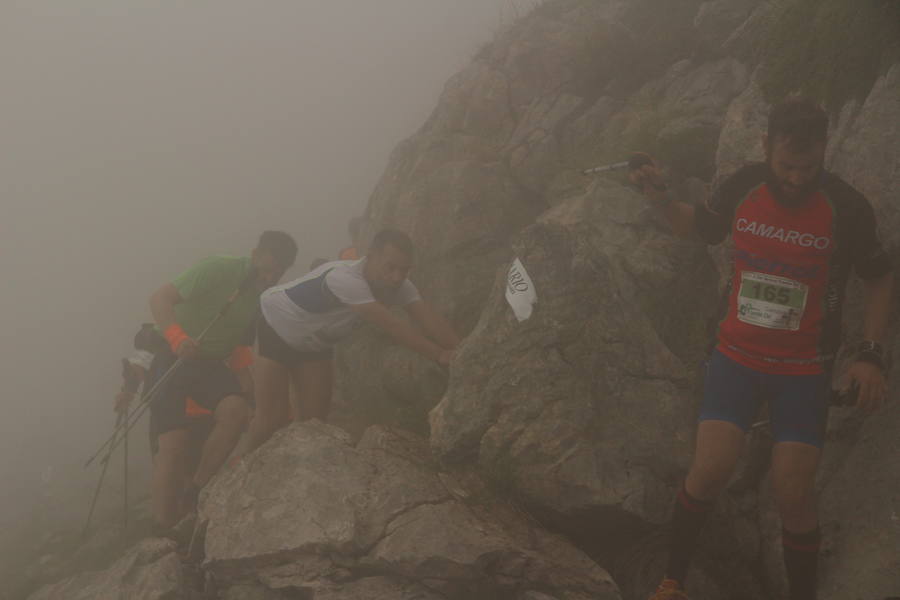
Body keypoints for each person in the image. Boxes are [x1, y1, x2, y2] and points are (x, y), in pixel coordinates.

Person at [634, 98, 893, 600]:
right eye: (786, 166)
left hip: (804, 369)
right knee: (710, 468)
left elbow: (880, 278)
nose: (797, 178)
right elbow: (701, 228)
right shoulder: (743, 185)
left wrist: (870, 354)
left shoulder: (846, 206)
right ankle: (672, 582)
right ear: (764, 147)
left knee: (793, 493)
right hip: (737, 356)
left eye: (809, 167)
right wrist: (660, 198)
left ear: (825, 152)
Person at [242, 228, 460, 454]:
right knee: (270, 419)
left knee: (314, 425)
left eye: (404, 270)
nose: (397, 277)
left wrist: (462, 350)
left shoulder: (400, 285)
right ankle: (236, 474)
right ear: (371, 256)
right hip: (276, 325)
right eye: (390, 267)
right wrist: (439, 354)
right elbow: (392, 325)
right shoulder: (344, 278)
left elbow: (427, 317)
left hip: (315, 344)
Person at [146, 230, 297, 530]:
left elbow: (242, 340)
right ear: (254, 254)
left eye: (276, 273)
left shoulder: (264, 296)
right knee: (173, 443)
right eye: (265, 269)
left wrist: (243, 376)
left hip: (209, 363)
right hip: (173, 356)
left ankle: (196, 490)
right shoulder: (218, 268)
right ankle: (162, 529)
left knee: (236, 411)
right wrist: (177, 338)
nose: (268, 277)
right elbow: (160, 298)